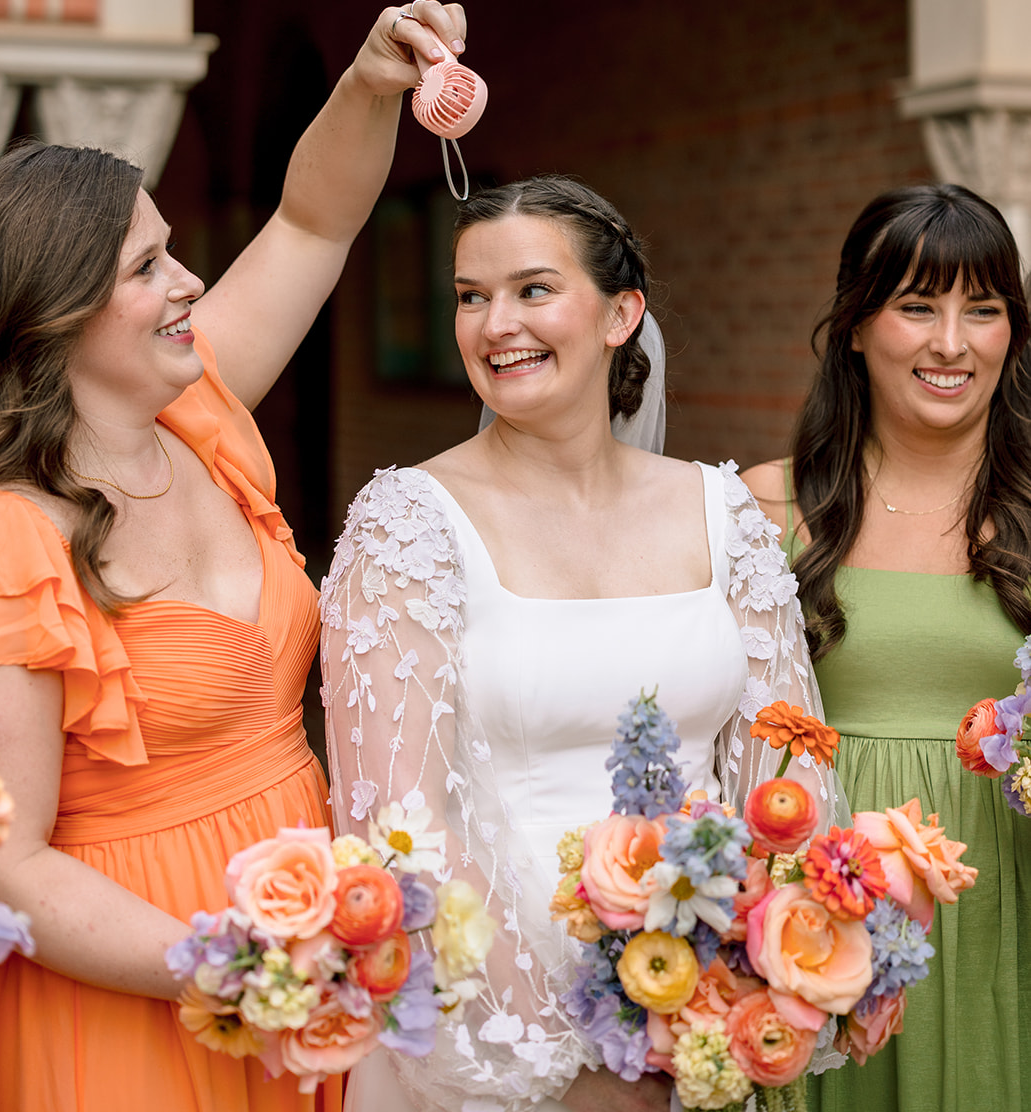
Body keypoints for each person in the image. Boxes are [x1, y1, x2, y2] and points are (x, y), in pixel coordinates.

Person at [0, 0, 467, 1112]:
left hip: (308, 970)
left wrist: (369, 82)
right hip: (132, 993)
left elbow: (312, 224)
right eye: (150, 266)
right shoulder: (1, 537)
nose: (189, 282)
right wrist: (234, 963)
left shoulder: (202, 419)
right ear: (55, 312)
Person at [321, 175, 840, 1112]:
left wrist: (724, 1004)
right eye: (470, 297)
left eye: (531, 290)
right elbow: (395, 824)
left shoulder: (721, 512)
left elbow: (786, 779)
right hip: (486, 1032)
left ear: (619, 315)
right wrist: (576, 1048)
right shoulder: (407, 526)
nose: (494, 325)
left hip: (702, 1023)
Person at [743, 182, 1031, 1112]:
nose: (950, 343)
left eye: (980, 310)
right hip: (822, 924)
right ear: (857, 326)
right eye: (916, 307)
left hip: (1005, 912)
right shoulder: (765, 509)